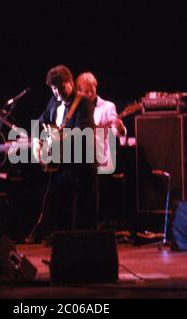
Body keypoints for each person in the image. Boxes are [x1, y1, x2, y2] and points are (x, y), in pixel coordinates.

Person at [31, 65, 97, 242]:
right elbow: (40, 121)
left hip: (81, 166)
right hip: (61, 167)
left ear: (70, 83)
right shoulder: (53, 102)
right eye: (53, 88)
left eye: (60, 88)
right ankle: (64, 247)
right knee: (62, 210)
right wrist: (36, 140)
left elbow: (84, 133)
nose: (57, 92)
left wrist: (57, 140)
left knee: (82, 214)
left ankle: (83, 250)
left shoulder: (84, 103)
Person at [76, 72, 127, 228]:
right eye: (86, 91)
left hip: (101, 157)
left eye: (92, 90)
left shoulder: (107, 106)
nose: (90, 94)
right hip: (81, 156)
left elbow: (117, 128)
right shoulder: (76, 107)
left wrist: (120, 128)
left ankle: (101, 229)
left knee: (100, 197)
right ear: (79, 91)